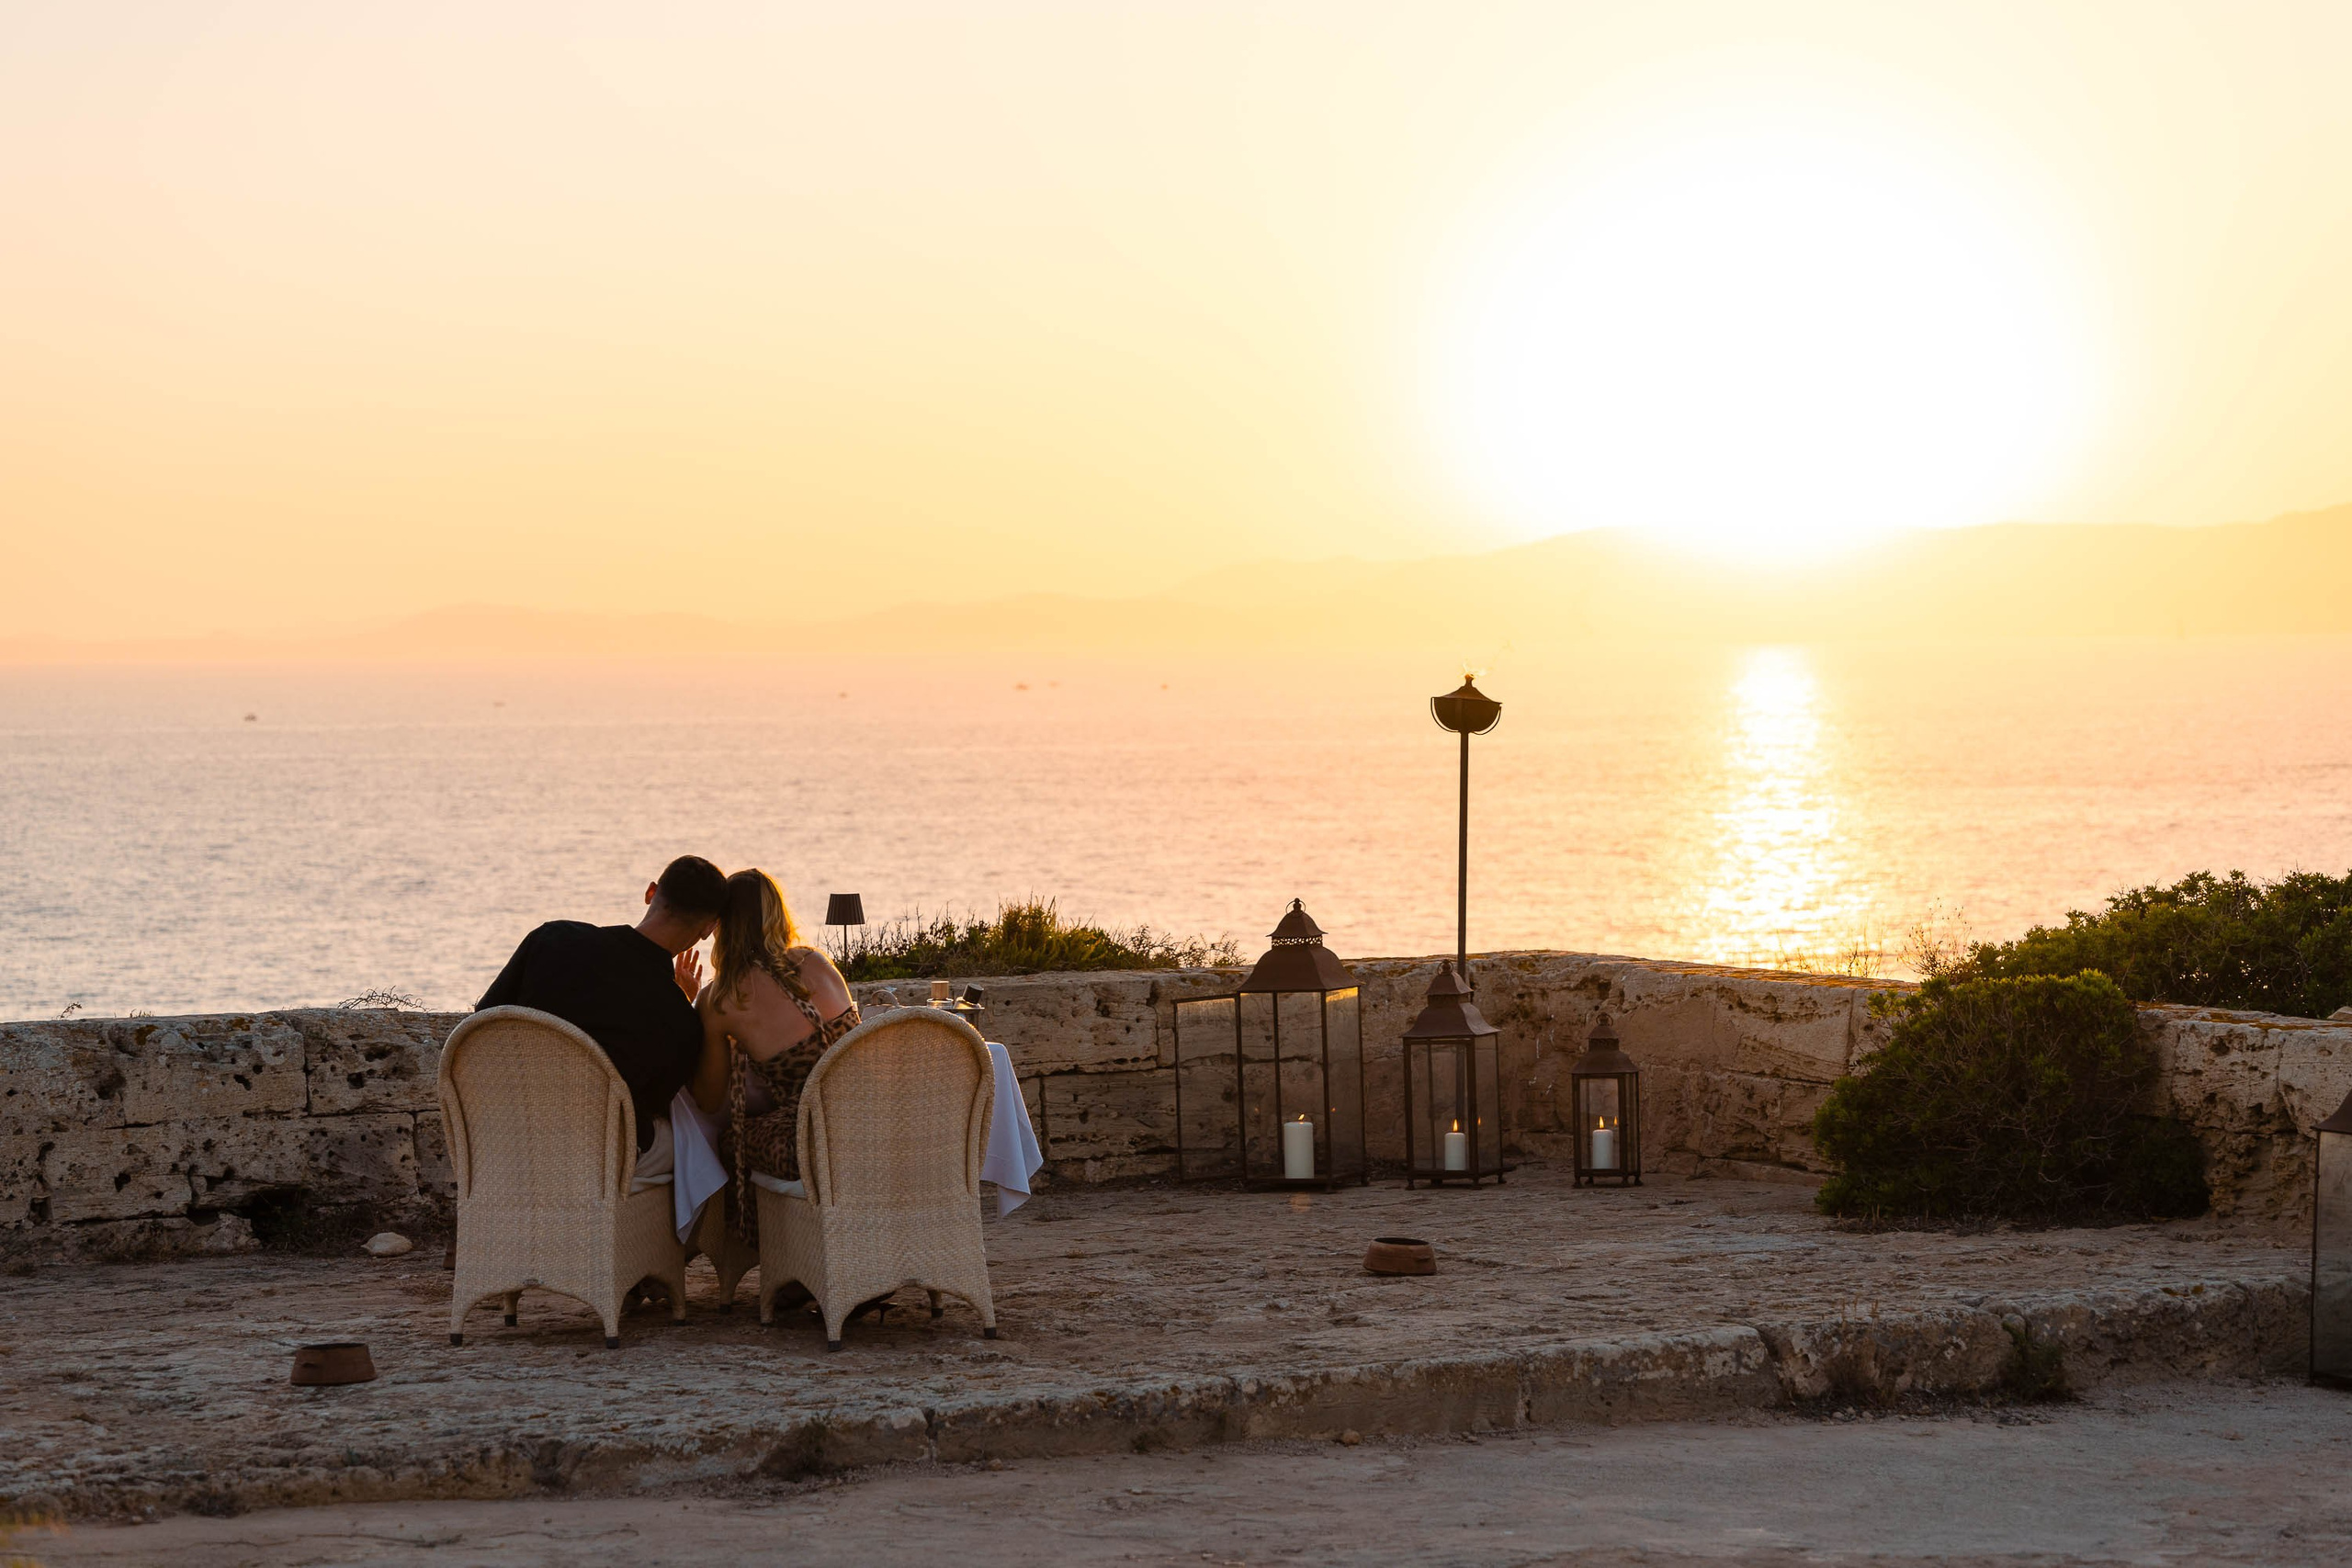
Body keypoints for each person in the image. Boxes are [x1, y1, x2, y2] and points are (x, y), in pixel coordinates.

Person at [476, 855, 729, 1178]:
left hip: (506, 1129)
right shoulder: (681, 1023)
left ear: (651, 893)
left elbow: (485, 1021)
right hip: (596, 1153)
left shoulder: (552, 938)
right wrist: (681, 1001)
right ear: (709, 929)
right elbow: (649, 1105)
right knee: (695, 1153)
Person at [689, 867, 860, 1245]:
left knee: (730, 1145)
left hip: (812, 1141)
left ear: (723, 924)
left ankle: (782, 1253)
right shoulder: (817, 962)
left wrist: (687, 1008)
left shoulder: (720, 999)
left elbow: (708, 1098)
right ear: (778, 914)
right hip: (867, 1122)